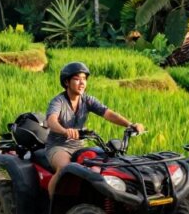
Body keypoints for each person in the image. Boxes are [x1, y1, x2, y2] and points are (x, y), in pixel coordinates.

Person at [45, 62, 145, 195]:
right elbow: (51, 120)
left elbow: (108, 113)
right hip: (59, 146)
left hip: (80, 145)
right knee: (64, 168)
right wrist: (65, 131)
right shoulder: (58, 101)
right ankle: (54, 207)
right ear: (66, 82)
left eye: (84, 79)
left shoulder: (87, 100)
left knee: (107, 163)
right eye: (76, 79)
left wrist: (129, 124)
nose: (82, 83)